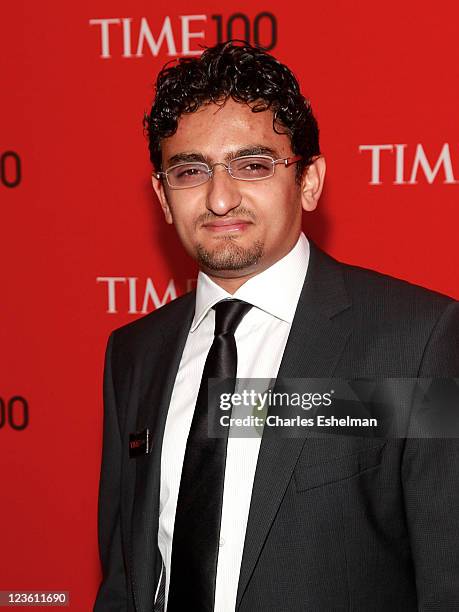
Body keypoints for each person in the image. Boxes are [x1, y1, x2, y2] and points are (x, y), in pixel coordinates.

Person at [94, 41, 459, 612]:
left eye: (253, 165)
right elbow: (125, 579)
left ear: (309, 181)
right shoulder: (134, 354)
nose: (219, 198)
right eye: (191, 170)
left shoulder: (414, 341)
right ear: (163, 197)